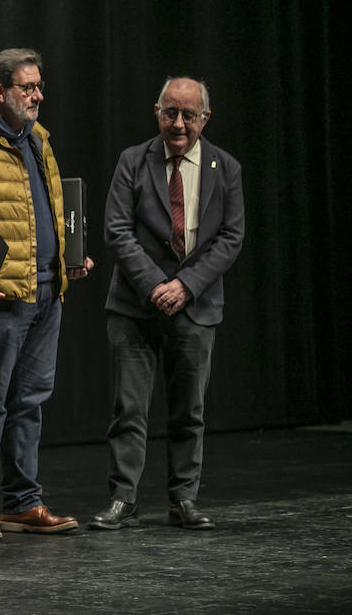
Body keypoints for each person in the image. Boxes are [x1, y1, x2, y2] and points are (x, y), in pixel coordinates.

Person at [0, 48, 93, 541]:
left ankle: (23, 502)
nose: (38, 95)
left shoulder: (37, 138)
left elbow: (47, 209)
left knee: (30, 401)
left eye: (39, 86)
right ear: (0, 92)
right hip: (0, 298)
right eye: (28, 87)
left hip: (47, 289)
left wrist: (69, 255)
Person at [89, 77, 244, 531]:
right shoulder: (133, 161)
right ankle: (123, 498)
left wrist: (186, 285)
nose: (178, 123)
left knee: (189, 411)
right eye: (170, 113)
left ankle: (183, 499)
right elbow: (117, 230)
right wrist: (157, 284)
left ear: (204, 119)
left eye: (188, 115)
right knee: (129, 408)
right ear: (157, 112)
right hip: (135, 307)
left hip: (195, 306)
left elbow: (231, 237)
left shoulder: (226, 168)